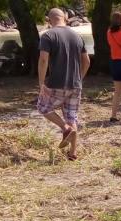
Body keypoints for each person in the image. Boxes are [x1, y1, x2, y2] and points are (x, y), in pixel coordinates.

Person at [37, 7, 89, 161]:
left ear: (49, 20)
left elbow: (43, 59)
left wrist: (41, 83)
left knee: (43, 107)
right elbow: (86, 61)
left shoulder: (48, 35)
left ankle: (65, 128)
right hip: (75, 84)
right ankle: (73, 153)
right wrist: (79, 78)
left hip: (56, 83)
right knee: (72, 116)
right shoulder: (77, 36)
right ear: (65, 17)